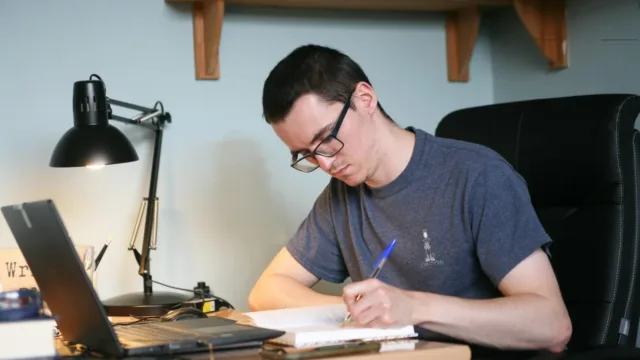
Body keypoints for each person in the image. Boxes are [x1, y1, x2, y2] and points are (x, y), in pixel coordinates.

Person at [248, 44, 572, 352]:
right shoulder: (341, 197)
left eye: (327, 139)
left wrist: (413, 307)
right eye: (307, 154)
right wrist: (362, 311)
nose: (326, 164)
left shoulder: (478, 176)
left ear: (365, 99)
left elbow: (552, 326)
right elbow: (267, 291)